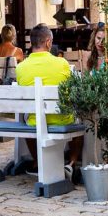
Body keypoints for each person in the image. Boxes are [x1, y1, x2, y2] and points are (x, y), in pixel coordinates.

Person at [16, 24, 82, 183]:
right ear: (47, 42)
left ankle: (38, 162)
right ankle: (72, 163)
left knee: (28, 120)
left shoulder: (20, 67)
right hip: (61, 119)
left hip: (35, 122)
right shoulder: (62, 63)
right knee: (79, 119)